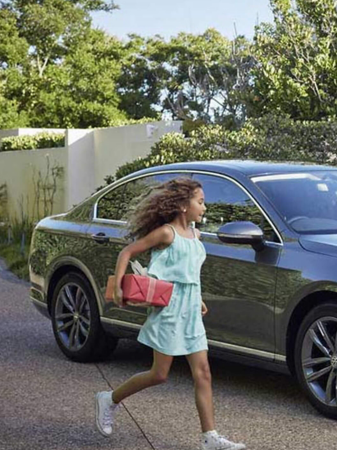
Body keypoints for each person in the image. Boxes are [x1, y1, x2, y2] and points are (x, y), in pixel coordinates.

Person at [94, 178, 245, 450]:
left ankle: (209, 437)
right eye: (200, 202)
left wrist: (197, 298)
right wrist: (117, 284)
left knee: (204, 373)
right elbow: (128, 251)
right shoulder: (166, 233)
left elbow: (191, 274)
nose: (205, 207)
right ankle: (110, 398)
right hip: (169, 309)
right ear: (183, 206)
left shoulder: (196, 236)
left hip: (190, 310)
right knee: (159, 374)